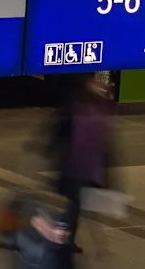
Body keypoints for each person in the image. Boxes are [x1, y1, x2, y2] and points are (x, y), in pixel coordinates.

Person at [48, 71, 117, 241]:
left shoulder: (97, 108)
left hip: (86, 167)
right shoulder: (76, 108)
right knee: (74, 206)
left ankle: (66, 237)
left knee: (75, 206)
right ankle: (63, 238)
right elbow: (60, 134)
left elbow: (104, 142)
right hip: (75, 167)